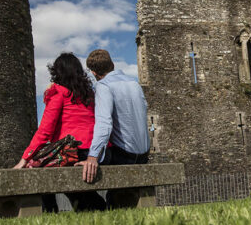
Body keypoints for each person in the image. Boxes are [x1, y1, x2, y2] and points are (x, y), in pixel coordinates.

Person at [14, 52, 104, 212]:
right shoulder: (89, 94)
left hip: (72, 151)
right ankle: (92, 207)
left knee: (35, 168)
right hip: (93, 151)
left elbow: (44, 131)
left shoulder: (59, 93)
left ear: (57, 72)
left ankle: (50, 211)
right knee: (78, 192)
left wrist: (25, 158)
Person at [81, 49, 150, 192]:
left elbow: (104, 123)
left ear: (93, 73)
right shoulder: (134, 83)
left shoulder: (103, 86)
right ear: (112, 64)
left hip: (124, 154)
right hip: (144, 153)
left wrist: (93, 156)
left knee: (115, 202)